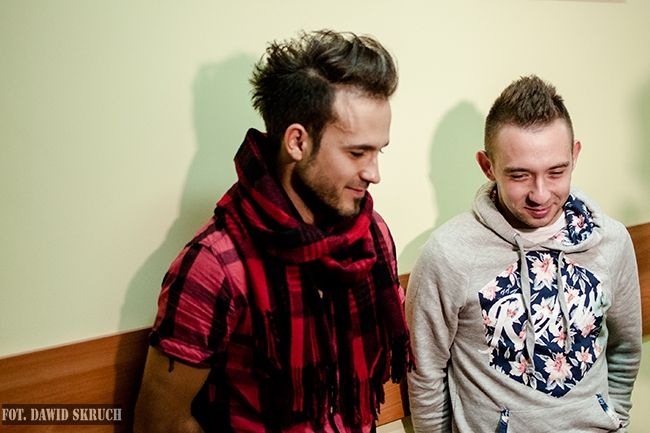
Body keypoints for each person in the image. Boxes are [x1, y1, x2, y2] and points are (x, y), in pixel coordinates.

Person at [134, 29, 413, 433]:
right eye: (357, 152)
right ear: (297, 142)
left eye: (378, 151)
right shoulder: (214, 265)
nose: (374, 173)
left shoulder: (370, 235)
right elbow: (160, 423)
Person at [406, 75, 642, 433]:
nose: (540, 194)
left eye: (556, 172)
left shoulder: (611, 241)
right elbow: (425, 375)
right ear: (487, 166)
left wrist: (616, 418)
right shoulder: (447, 255)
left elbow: (626, 350)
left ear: (575, 156)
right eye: (519, 176)